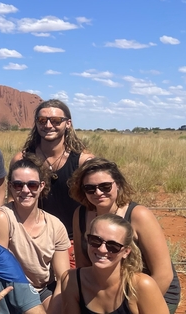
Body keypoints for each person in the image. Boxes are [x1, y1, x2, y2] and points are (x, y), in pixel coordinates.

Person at [69, 158, 180, 313]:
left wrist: (128, 306)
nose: (98, 192)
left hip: (152, 292)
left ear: (118, 185)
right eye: (90, 188)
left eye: (105, 186)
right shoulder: (80, 215)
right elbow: (84, 267)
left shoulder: (139, 215)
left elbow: (163, 274)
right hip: (107, 292)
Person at [11, 99, 94, 266]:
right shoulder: (22, 160)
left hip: (72, 242)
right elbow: (11, 201)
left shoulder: (82, 162)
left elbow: (95, 206)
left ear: (68, 123)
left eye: (56, 121)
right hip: (30, 239)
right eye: (42, 120)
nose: (48, 125)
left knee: (70, 287)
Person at [0, 158, 70, 311]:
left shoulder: (55, 225)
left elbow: (63, 278)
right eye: (18, 185)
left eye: (32, 185)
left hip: (44, 288)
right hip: (12, 288)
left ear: (41, 186)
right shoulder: (2, 218)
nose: (25, 190)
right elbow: (1, 270)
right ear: (10, 187)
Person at [60, 214, 168, 314]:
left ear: (126, 252)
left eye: (113, 246)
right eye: (95, 240)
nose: (102, 249)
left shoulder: (141, 285)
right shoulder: (72, 280)